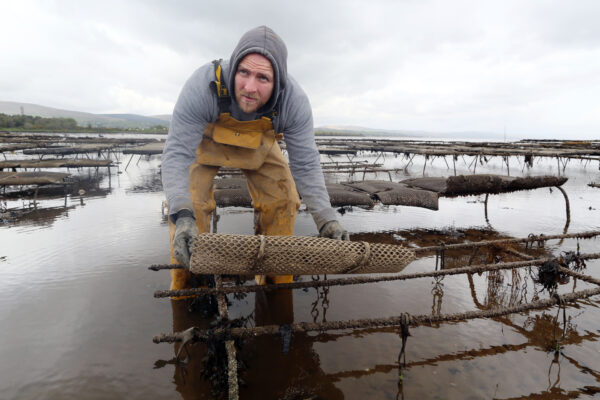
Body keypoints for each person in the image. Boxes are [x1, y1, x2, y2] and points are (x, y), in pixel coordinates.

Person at [162, 25, 349, 291]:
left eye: (263, 78)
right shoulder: (203, 85)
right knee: (189, 207)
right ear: (233, 68)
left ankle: (274, 286)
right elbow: (177, 155)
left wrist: (326, 219)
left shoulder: (293, 102)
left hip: (259, 148)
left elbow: (305, 163)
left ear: (278, 83)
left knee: (284, 200)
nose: (250, 87)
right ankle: (188, 287)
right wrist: (181, 214)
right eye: (244, 73)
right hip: (206, 144)